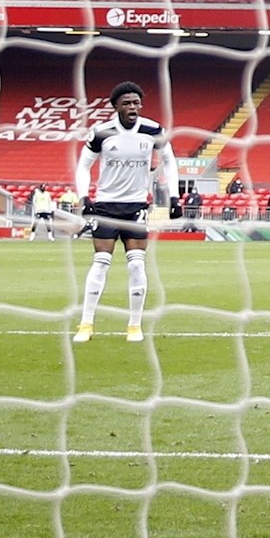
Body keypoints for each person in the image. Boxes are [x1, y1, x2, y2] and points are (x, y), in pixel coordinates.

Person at [71, 82, 178, 343]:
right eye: (127, 103)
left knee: (137, 263)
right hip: (106, 206)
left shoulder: (152, 130)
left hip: (136, 206)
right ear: (116, 106)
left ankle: (134, 325)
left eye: (136, 103)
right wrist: (84, 197)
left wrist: (174, 196)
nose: (133, 107)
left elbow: (169, 160)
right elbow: (83, 166)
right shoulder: (101, 133)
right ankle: (86, 323)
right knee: (100, 262)